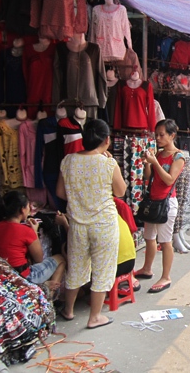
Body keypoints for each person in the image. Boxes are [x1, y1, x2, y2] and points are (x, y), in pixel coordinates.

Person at [56, 118, 126, 328]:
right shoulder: (108, 163)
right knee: (103, 269)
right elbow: (121, 192)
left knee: (76, 267)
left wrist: (81, 198)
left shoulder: (68, 160)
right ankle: (94, 317)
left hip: (77, 224)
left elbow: (60, 192)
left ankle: (68, 310)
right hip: (104, 224)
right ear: (106, 140)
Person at [135, 119, 185, 293]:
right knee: (149, 237)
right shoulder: (158, 153)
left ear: (172, 135)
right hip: (153, 200)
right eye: (156, 135)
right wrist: (148, 163)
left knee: (165, 241)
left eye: (162, 135)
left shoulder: (179, 156)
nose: (158, 138)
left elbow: (170, 179)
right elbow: (149, 177)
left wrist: (154, 162)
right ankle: (147, 268)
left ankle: (166, 276)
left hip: (166, 202)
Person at [0, 191, 66, 290]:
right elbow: (39, 259)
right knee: (61, 259)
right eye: (28, 206)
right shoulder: (26, 231)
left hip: (0, 274)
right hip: (22, 277)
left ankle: (43, 286)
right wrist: (34, 231)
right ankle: (47, 294)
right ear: (22, 210)